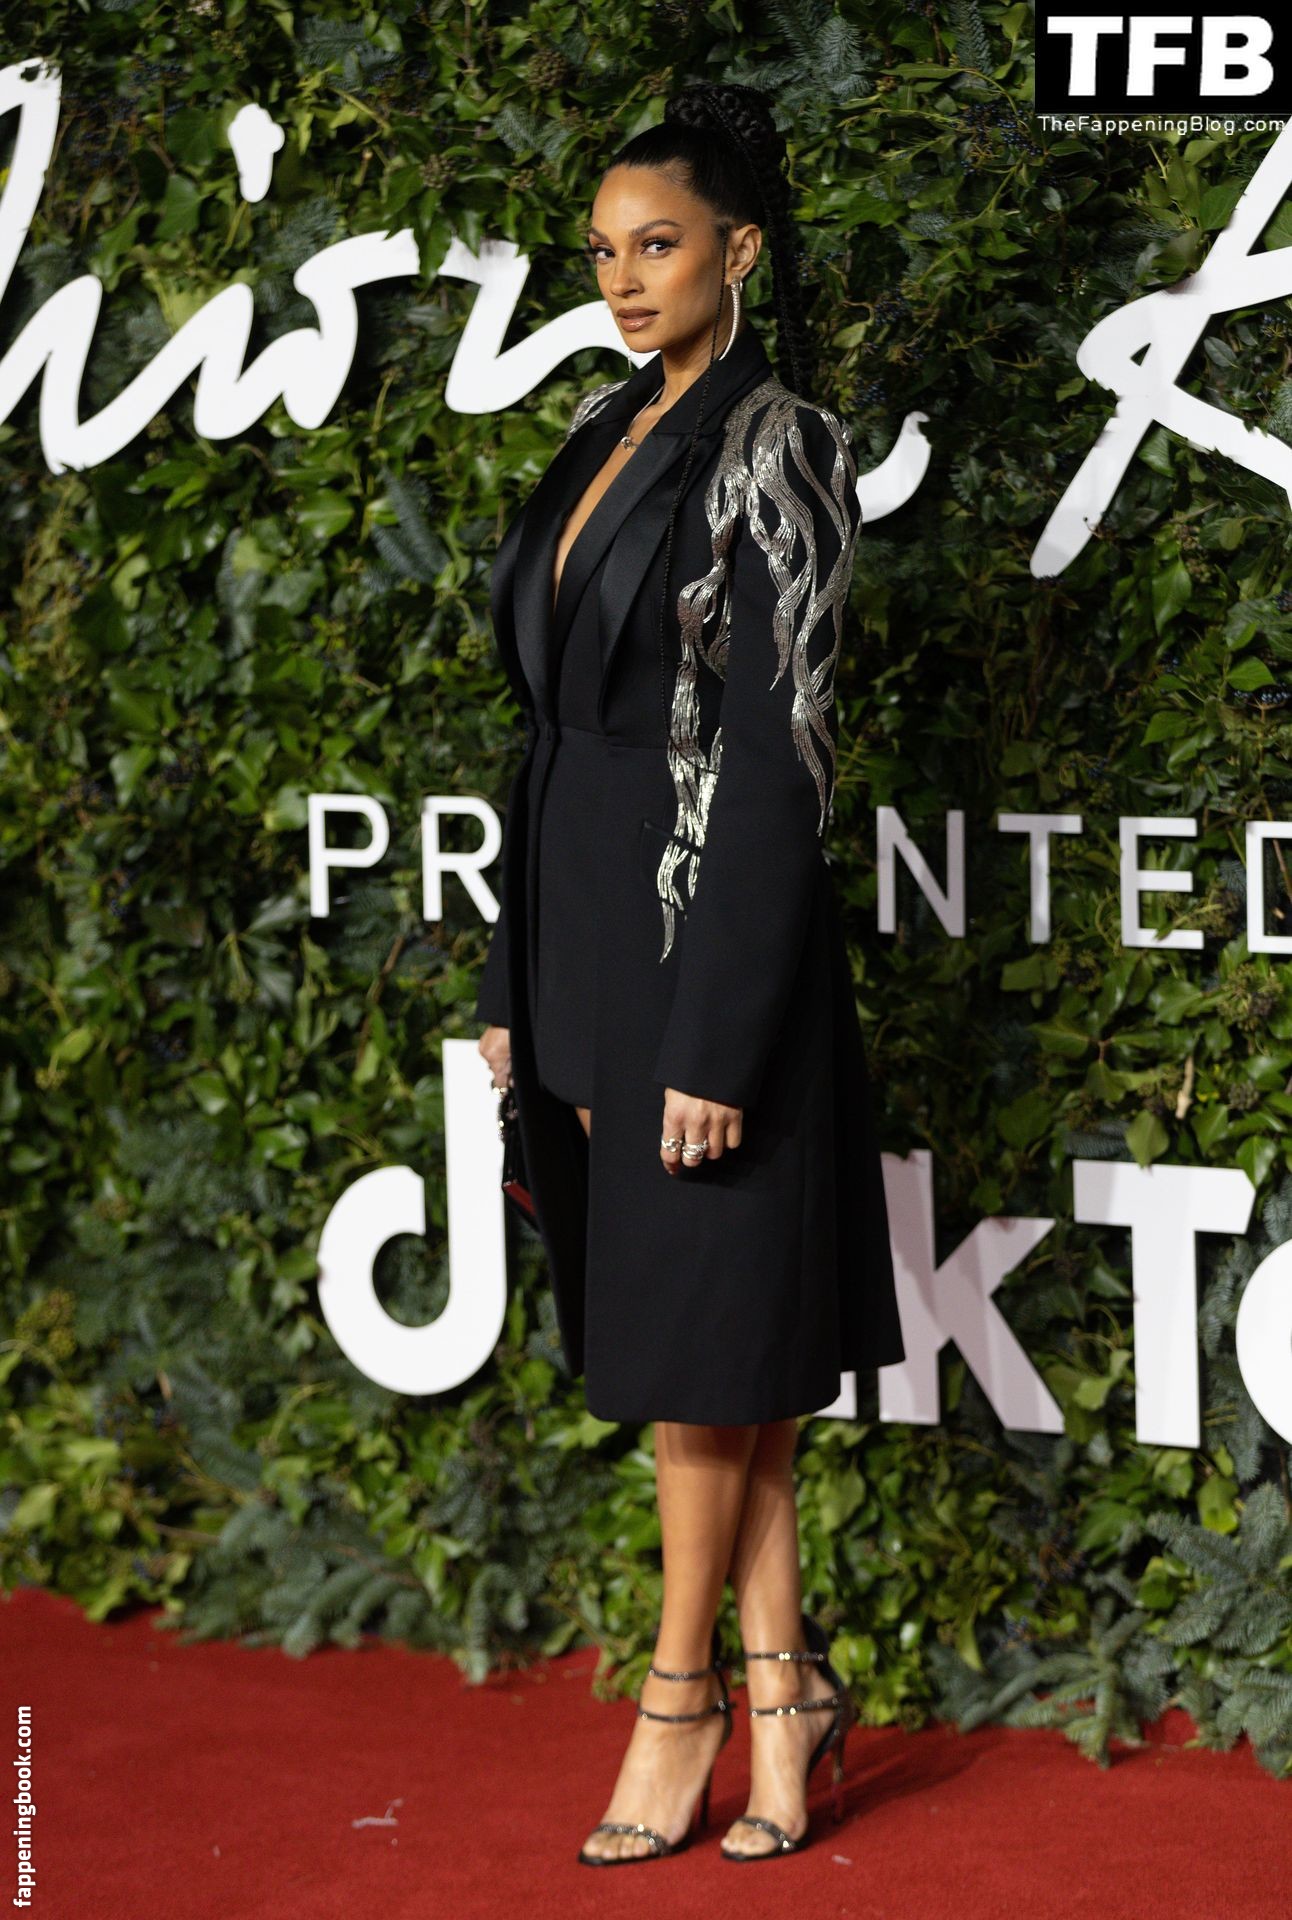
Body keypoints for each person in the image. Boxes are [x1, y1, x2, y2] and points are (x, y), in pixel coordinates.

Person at [474, 80, 905, 1863]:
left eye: (658, 246)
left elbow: (779, 763)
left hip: (709, 959)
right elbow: (546, 731)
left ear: (740, 251)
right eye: (603, 252)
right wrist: (513, 978)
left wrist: (719, 1039)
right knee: (715, 1358)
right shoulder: (602, 425)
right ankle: (786, 1691)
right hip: (588, 953)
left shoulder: (780, 446)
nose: (625, 280)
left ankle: (681, 1703)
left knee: (698, 1364)